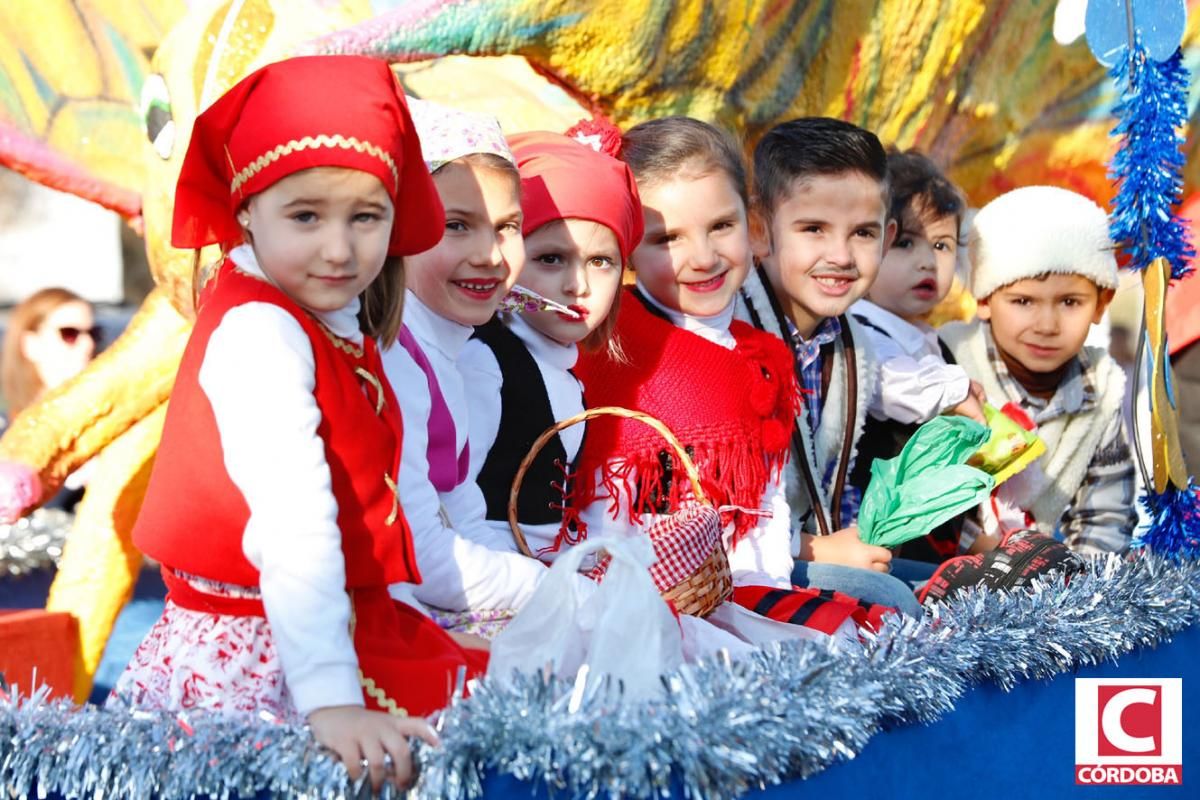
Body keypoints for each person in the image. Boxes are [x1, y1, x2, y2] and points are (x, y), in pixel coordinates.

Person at [112, 56, 478, 791]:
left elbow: (368, 516)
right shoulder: (261, 333)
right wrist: (333, 704)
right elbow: (296, 529)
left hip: (324, 631)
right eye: (306, 216)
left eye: (365, 217)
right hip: (264, 660)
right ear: (247, 207)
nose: (339, 249)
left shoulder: (331, 325)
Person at [572, 116, 890, 641]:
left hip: (741, 583)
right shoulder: (616, 349)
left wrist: (771, 590)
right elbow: (606, 512)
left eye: (721, 226)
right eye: (667, 238)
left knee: (877, 631)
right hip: (644, 601)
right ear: (626, 246)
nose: (702, 257)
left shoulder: (763, 355)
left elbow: (764, 505)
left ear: (753, 226)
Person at [381, 100, 592, 631]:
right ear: (397, 230)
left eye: (506, 227)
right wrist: (554, 590)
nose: (490, 255)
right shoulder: (392, 359)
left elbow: (465, 517)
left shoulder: (457, 353)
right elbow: (420, 554)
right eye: (456, 225)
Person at [734, 117, 921, 614]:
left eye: (862, 233)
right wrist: (814, 548)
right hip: (744, 564)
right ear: (758, 229)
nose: (840, 255)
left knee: (962, 586)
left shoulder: (856, 342)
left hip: (821, 549)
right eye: (813, 229)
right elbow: (718, 512)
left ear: (887, 237)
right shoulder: (730, 330)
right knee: (895, 602)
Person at [460, 127, 639, 569]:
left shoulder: (562, 367)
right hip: (496, 579)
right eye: (550, 258)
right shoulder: (486, 362)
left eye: (600, 262)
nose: (577, 285)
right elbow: (455, 511)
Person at [940, 185, 1136, 554]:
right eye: (1023, 301)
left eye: (1070, 302)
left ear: (1101, 304)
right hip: (944, 574)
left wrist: (1079, 593)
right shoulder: (948, 366)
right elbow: (927, 494)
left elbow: (1105, 520)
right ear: (983, 298)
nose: (1047, 324)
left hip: (1049, 588)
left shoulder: (1104, 390)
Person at [848, 150, 982, 565]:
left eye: (941, 245)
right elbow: (892, 382)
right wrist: (956, 389)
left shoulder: (928, 338)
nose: (927, 260)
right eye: (905, 243)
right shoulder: (861, 327)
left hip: (926, 526)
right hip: (875, 528)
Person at [1, 287, 99, 509]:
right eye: (69, 333)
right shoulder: (7, 433)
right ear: (31, 344)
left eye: (94, 333)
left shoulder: (111, 430)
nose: (88, 345)